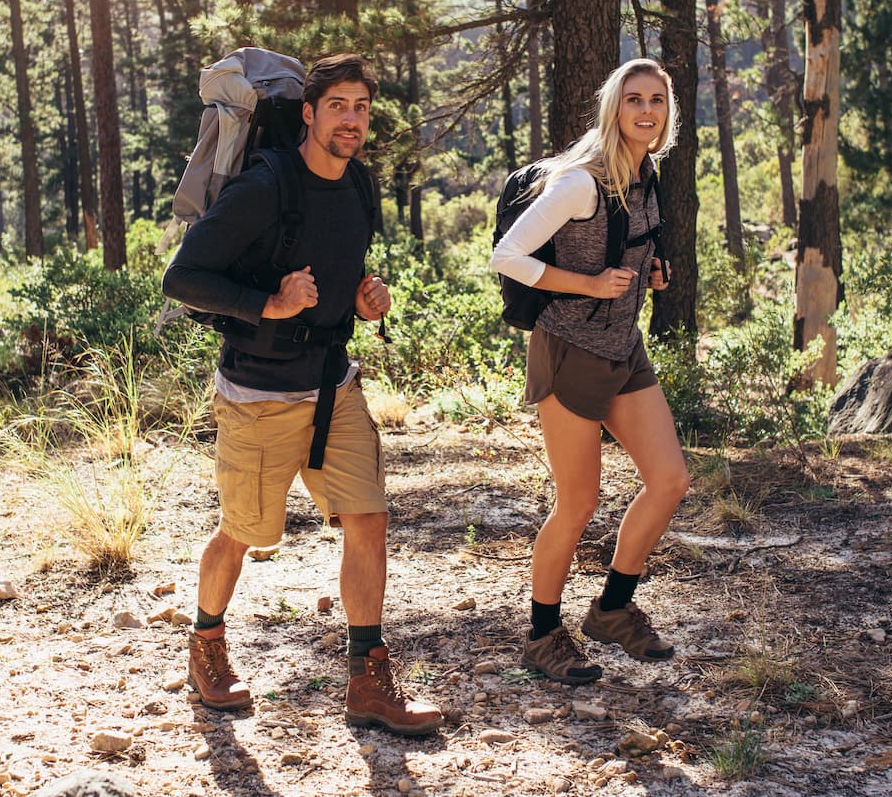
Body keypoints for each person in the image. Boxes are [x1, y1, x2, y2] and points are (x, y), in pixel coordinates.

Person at [162, 53, 443, 736]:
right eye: (339, 106)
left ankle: (367, 678)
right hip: (257, 393)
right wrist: (271, 304)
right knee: (243, 535)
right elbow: (184, 277)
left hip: (331, 384)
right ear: (309, 114)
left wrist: (365, 297)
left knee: (367, 517)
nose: (352, 119)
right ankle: (206, 646)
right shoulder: (265, 185)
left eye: (362, 108)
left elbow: (343, 264)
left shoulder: (359, 185)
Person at [488, 57, 692, 684]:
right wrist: (592, 284)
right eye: (634, 99)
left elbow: (630, 248)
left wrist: (648, 275)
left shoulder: (647, 175)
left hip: (622, 348)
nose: (646, 111)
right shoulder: (581, 184)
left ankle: (612, 608)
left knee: (670, 480)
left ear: (667, 113)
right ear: (614, 108)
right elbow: (508, 255)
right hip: (569, 349)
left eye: (657, 100)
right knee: (578, 502)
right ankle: (543, 634)